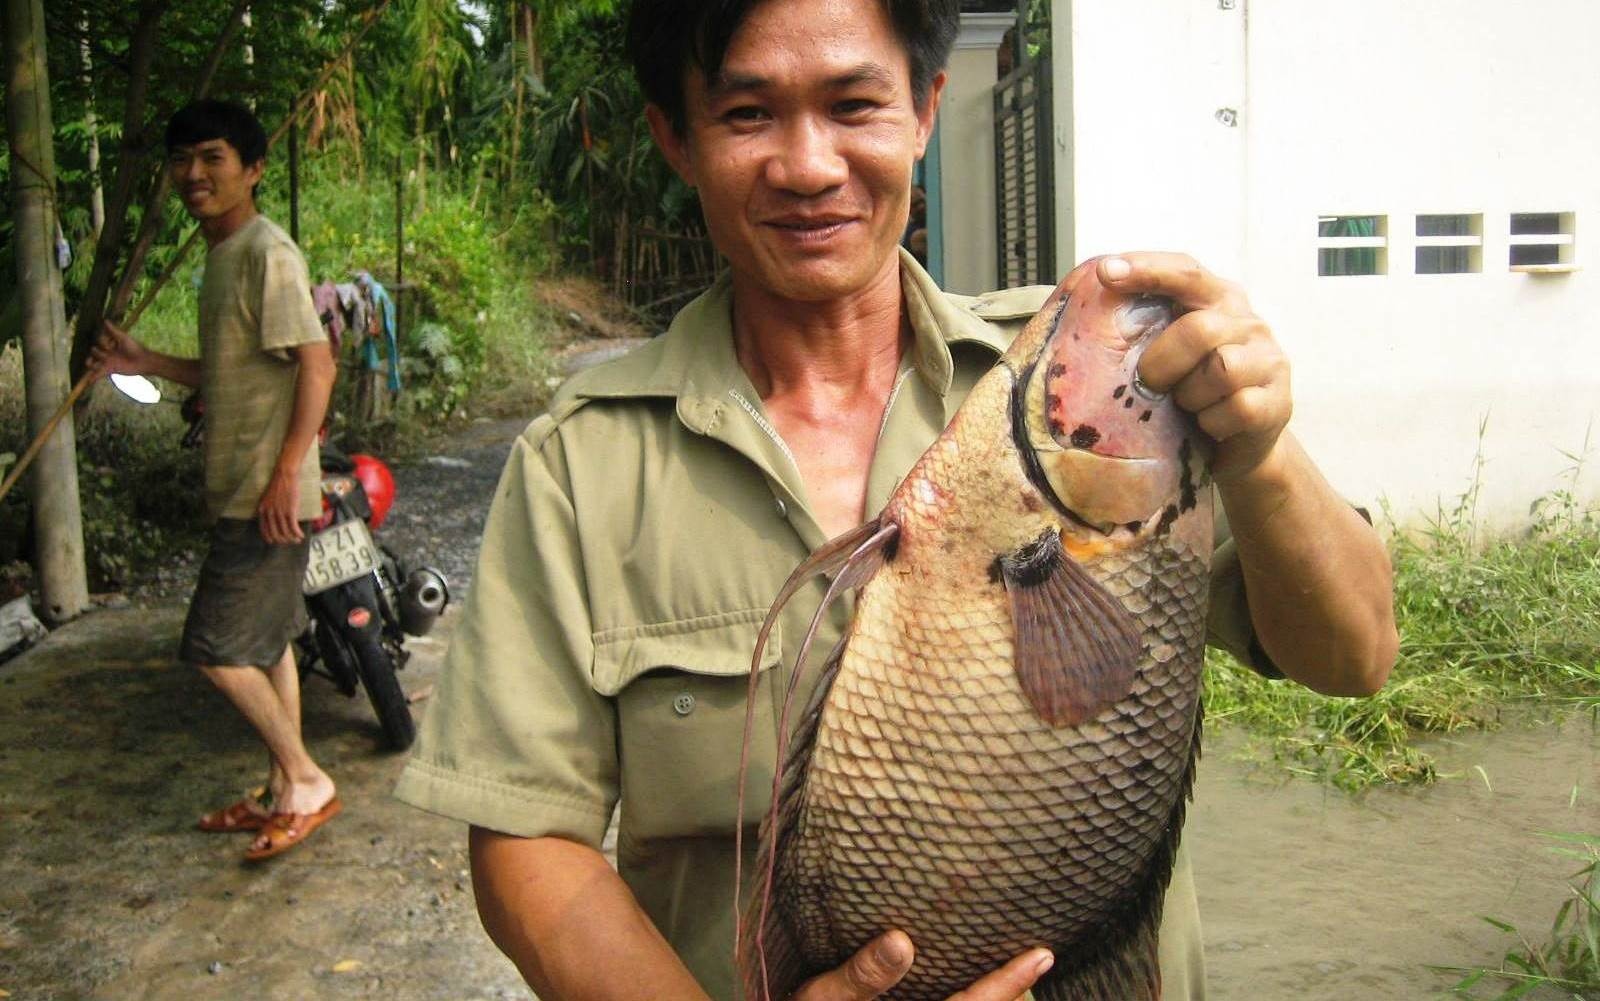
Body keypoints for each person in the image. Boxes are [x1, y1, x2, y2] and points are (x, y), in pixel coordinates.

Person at [395, 1, 1398, 997]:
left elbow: (1353, 653)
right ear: (675, 138)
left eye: (853, 105)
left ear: (923, 110)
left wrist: (1259, 451)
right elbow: (529, 842)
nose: (808, 164)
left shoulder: (1091, 398)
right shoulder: (584, 461)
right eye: (748, 115)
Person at [90, 100, 341, 862]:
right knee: (266, 646)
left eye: (213, 158)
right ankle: (276, 789)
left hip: (265, 492)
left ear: (253, 169)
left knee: (213, 646)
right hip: (243, 486)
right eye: (181, 161)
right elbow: (236, 368)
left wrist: (286, 473)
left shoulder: (268, 253)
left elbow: (317, 363)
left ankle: (306, 781)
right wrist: (148, 363)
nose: (193, 175)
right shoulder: (223, 257)